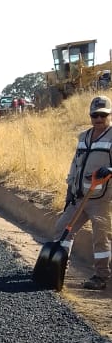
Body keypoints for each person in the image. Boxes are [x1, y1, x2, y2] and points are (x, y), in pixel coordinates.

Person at [52, 95, 112, 290]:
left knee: (100, 238)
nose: (99, 119)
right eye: (95, 115)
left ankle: (101, 277)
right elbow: (74, 165)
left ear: (109, 115)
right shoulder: (83, 137)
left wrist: (110, 170)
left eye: (103, 115)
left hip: (102, 199)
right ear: (90, 116)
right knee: (62, 228)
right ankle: (57, 267)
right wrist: (69, 192)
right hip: (80, 197)